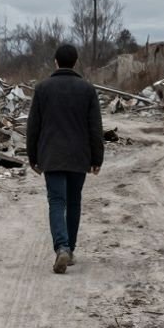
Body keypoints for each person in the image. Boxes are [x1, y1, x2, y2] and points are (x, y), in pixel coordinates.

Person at [26, 43, 104, 274]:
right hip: (79, 157)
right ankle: (69, 250)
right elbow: (95, 129)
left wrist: (33, 157)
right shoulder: (87, 90)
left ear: (56, 62)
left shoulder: (42, 89)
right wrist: (97, 158)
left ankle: (61, 246)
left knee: (57, 202)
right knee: (73, 202)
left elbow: (33, 127)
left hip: (52, 156)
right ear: (75, 62)